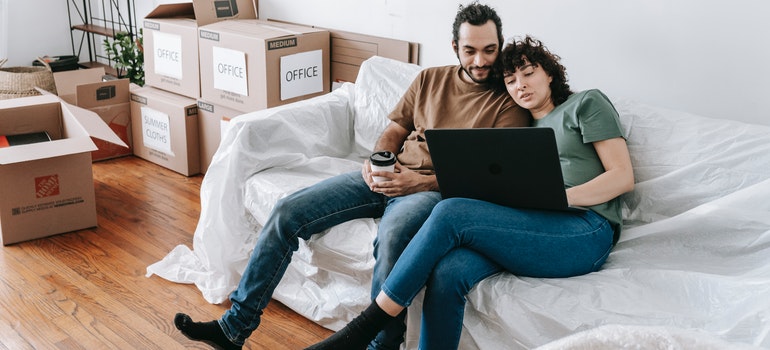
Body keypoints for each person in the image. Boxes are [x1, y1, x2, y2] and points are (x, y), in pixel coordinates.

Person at [173, 3, 530, 350]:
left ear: (499, 45)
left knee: (391, 240)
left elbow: (490, 176)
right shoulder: (430, 79)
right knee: (287, 212)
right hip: (388, 175)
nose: (481, 61)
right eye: (470, 50)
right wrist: (377, 159)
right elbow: (395, 129)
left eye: (489, 50)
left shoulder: (509, 101)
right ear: (455, 46)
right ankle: (234, 327)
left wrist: (419, 183)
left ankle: (380, 346)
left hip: (431, 191)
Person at [305, 35, 635, 350]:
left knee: (452, 212)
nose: (519, 84)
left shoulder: (586, 103)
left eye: (528, 73)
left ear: (549, 73)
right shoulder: (517, 129)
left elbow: (622, 177)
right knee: (448, 272)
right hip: (533, 223)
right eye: (510, 80)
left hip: (585, 229)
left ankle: (363, 329)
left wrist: (560, 198)